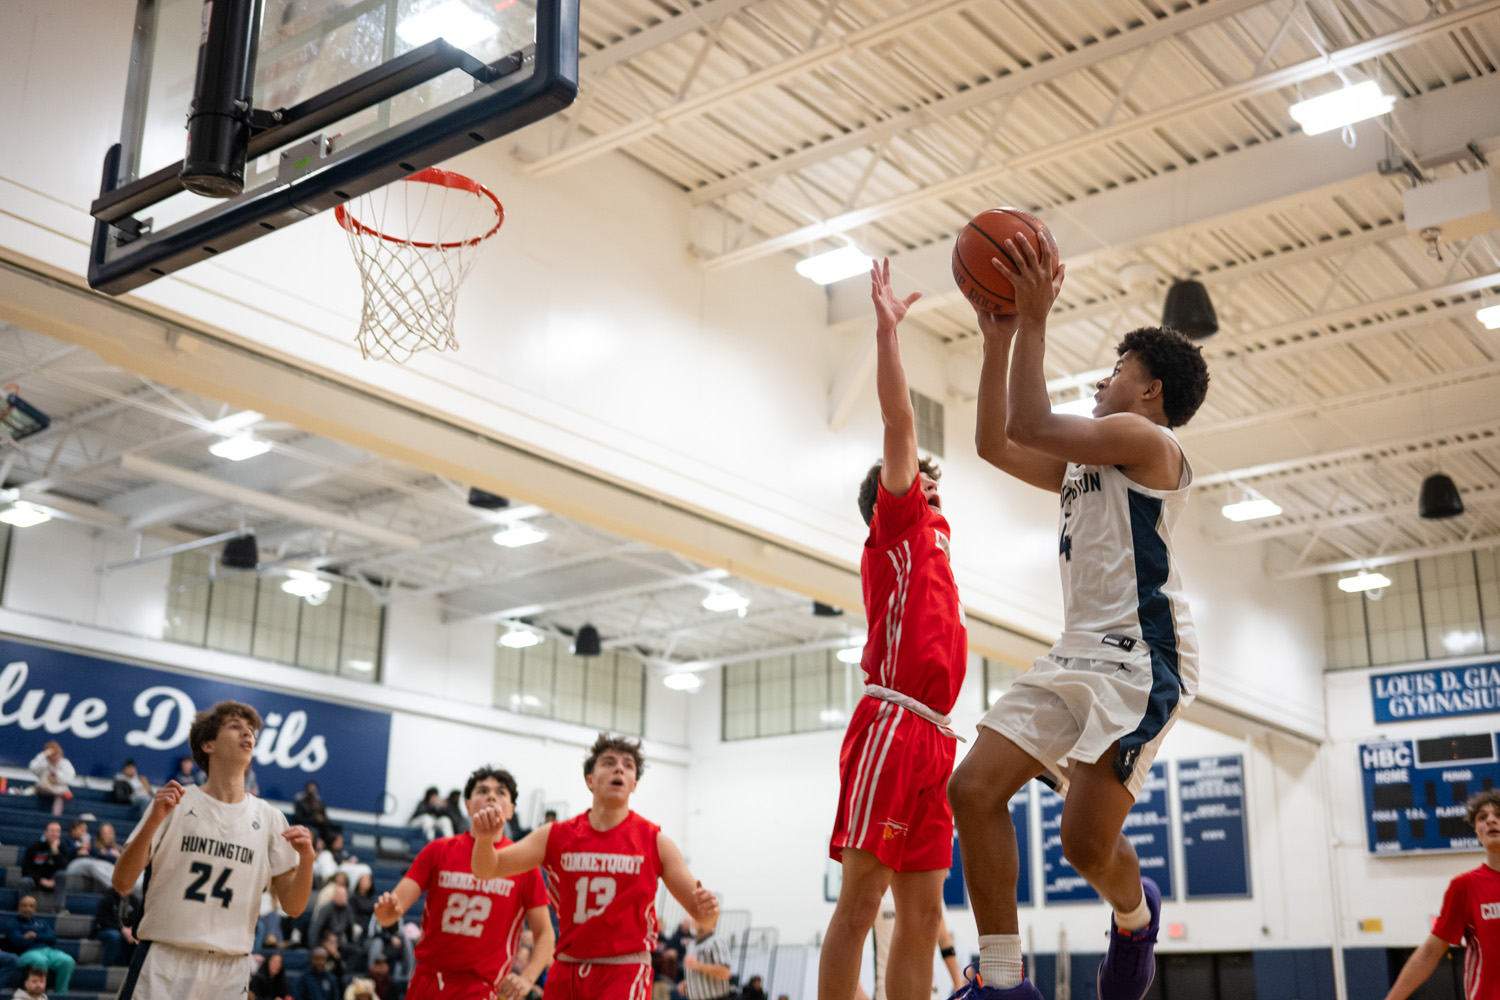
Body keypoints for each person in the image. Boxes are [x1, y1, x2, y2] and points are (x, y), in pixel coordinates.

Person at [947, 232, 1208, 1000]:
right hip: (1075, 651)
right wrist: (997, 339)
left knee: (1085, 847)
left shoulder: (1145, 440)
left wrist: (1034, 318)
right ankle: (1003, 982)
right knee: (972, 790)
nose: (1103, 378)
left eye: (1118, 369)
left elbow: (1029, 425)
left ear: (1150, 391)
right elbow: (996, 443)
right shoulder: (1089, 457)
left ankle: (1135, 918)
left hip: (1142, 656)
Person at [822, 259, 967, 1000]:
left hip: (936, 734)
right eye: (918, 476)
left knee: (925, 913)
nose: (930, 482)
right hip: (894, 723)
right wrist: (887, 334)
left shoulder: (937, 546)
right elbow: (899, 421)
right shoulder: (899, 523)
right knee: (861, 904)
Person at [470, 735, 719, 1000]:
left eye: (628, 765)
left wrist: (709, 912)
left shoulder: (655, 841)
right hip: (567, 967)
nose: (619, 769)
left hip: (624, 969)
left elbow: (702, 917)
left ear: (633, 784)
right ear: (590, 780)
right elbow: (487, 869)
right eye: (609, 762)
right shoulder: (556, 835)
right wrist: (484, 840)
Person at [112, 700, 318, 1000]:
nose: (247, 734)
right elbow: (122, 882)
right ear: (208, 745)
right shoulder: (174, 802)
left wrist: (307, 859)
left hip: (231, 968)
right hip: (165, 960)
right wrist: (154, 819)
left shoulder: (270, 818)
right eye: (235, 727)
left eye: (251, 731)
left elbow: (294, 907)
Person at [375, 766, 555, 1000]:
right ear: (468, 806)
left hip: (480, 986)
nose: (491, 797)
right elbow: (391, 911)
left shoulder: (523, 864)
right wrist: (386, 914)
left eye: (501, 792)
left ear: (511, 810)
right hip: (427, 980)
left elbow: (545, 933)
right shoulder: (437, 851)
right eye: (482, 791)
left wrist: (527, 978)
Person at [1383, 789, 1500, 998]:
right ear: (1477, 832)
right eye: (1483, 817)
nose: (1491, 820)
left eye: (1498, 815)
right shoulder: (1465, 886)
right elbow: (1430, 951)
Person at [2, 896, 74, 994]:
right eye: (24, 906)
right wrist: (42, 937)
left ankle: (61, 995)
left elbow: (53, 939)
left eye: (31, 906)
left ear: (35, 909)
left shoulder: (41, 923)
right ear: (19, 908)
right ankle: (38, 995)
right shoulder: (12, 924)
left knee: (68, 961)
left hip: (48, 950)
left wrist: (35, 935)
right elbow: (19, 941)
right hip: (26, 952)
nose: (28, 909)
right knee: (40, 961)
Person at [681, 910, 733, 1000]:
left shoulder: (717, 941)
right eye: (698, 920)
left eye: (705, 920)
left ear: (713, 925)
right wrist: (688, 983)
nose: (700, 923)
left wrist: (698, 965)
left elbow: (725, 972)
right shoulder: (692, 945)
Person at [19, 823, 67, 913]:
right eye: (52, 831)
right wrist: (41, 880)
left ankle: (58, 909)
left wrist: (55, 852)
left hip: (53, 881)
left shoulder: (62, 849)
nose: (54, 833)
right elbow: (25, 870)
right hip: (36, 880)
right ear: (45, 833)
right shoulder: (34, 847)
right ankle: (24, 910)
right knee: (25, 881)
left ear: (60, 834)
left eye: (57, 831)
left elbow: (63, 867)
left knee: (62, 875)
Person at [92, 886, 142, 967]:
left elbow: (136, 920)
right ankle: (108, 967)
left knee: (138, 938)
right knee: (114, 936)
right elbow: (103, 920)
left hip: (126, 931)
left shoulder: (134, 901)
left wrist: (132, 930)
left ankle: (131, 967)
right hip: (105, 929)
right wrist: (121, 929)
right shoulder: (107, 898)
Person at [27, 743, 74, 817]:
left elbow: (69, 779)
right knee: (39, 785)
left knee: (59, 795)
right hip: (44, 789)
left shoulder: (65, 763)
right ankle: (60, 793)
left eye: (55, 756)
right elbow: (33, 768)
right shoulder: (43, 762)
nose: (53, 759)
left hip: (58, 788)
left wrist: (57, 775)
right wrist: (43, 755)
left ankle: (55, 818)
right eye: (51, 757)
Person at [310, 884, 358, 953]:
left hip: (339, 942)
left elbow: (350, 930)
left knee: (356, 951)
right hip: (325, 941)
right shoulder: (326, 908)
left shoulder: (348, 909)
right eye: (339, 895)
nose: (341, 897)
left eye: (343, 895)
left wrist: (351, 944)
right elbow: (315, 929)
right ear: (334, 896)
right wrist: (314, 947)